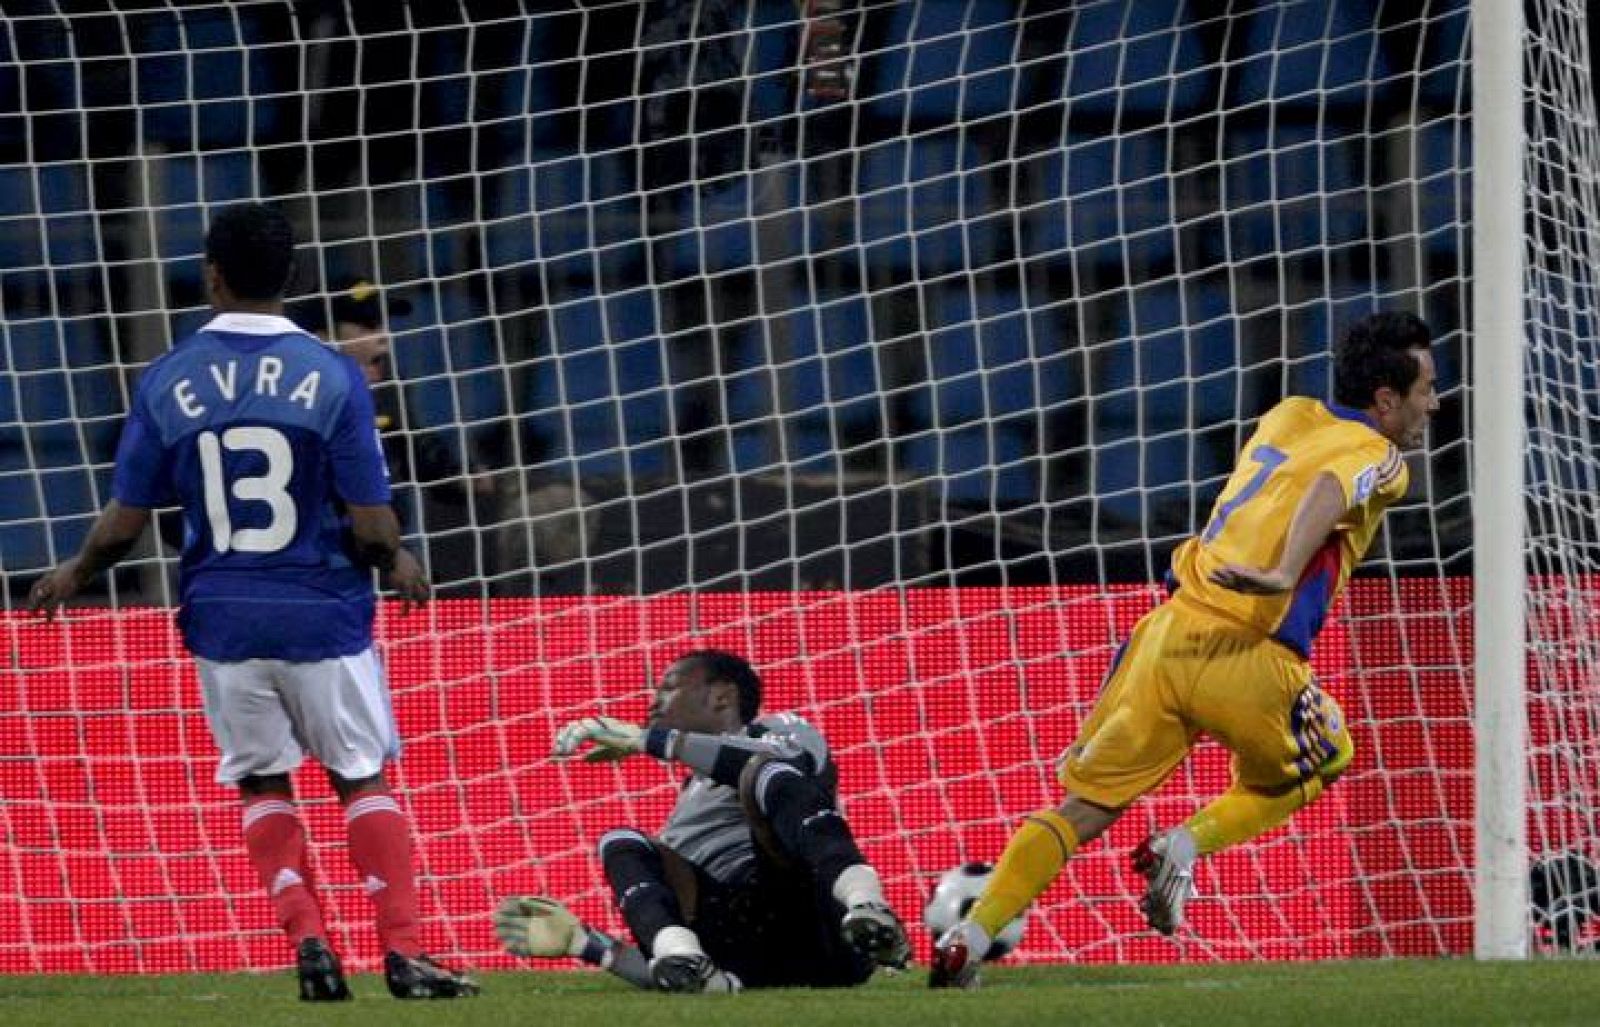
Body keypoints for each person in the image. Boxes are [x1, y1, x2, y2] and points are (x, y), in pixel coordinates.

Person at [27, 203, 478, 1002]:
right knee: (360, 775)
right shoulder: (333, 373)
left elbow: (126, 521)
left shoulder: (169, 376)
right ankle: (405, 954)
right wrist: (397, 555)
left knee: (264, 782)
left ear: (211, 275)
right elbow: (373, 523)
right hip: (321, 606)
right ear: (295, 278)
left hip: (222, 613)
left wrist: (74, 572)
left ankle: (309, 939)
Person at [927, 311, 1439, 988]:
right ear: (1386, 400)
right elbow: (1328, 489)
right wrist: (1285, 570)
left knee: (1084, 809)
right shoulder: (1383, 458)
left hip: (1166, 634)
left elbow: (1291, 484)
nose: (1434, 402)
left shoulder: (1288, 413)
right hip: (1251, 652)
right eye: (1426, 387)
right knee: (1327, 754)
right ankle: (1186, 841)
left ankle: (973, 931)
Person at [492, 649, 910, 992]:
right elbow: (668, 949)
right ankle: (689, 959)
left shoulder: (777, 732)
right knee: (621, 841)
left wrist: (651, 740)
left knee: (765, 773)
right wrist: (587, 945)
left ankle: (866, 903)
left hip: (816, 925)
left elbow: (772, 767)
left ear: (722, 697)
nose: (653, 702)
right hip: (748, 954)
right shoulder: (688, 797)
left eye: (669, 687)